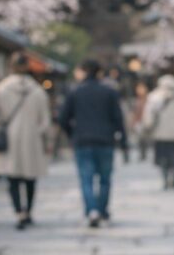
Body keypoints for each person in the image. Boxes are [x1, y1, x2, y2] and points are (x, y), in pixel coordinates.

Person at [0, 52, 50, 230]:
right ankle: (28, 211)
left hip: (9, 139)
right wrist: (40, 135)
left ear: (11, 66)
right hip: (31, 139)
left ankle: (19, 212)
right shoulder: (38, 91)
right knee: (30, 178)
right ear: (27, 67)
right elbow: (45, 121)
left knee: (13, 179)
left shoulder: (1, 88)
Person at [58, 59, 127, 228]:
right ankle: (102, 211)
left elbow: (62, 118)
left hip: (82, 141)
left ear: (83, 71)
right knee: (105, 179)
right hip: (105, 140)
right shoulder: (109, 92)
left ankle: (91, 211)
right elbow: (118, 119)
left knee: (86, 179)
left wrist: (71, 134)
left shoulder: (75, 92)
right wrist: (123, 140)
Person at [143, 74, 174, 190]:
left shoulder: (154, 97)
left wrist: (148, 126)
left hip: (160, 134)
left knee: (162, 158)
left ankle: (165, 179)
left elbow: (149, 115)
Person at [130, 81, 150, 161]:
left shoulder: (149, 99)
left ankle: (144, 153)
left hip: (146, 120)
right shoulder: (136, 100)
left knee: (144, 138)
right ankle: (142, 153)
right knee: (140, 138)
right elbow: (134, 112)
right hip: (139, 122)